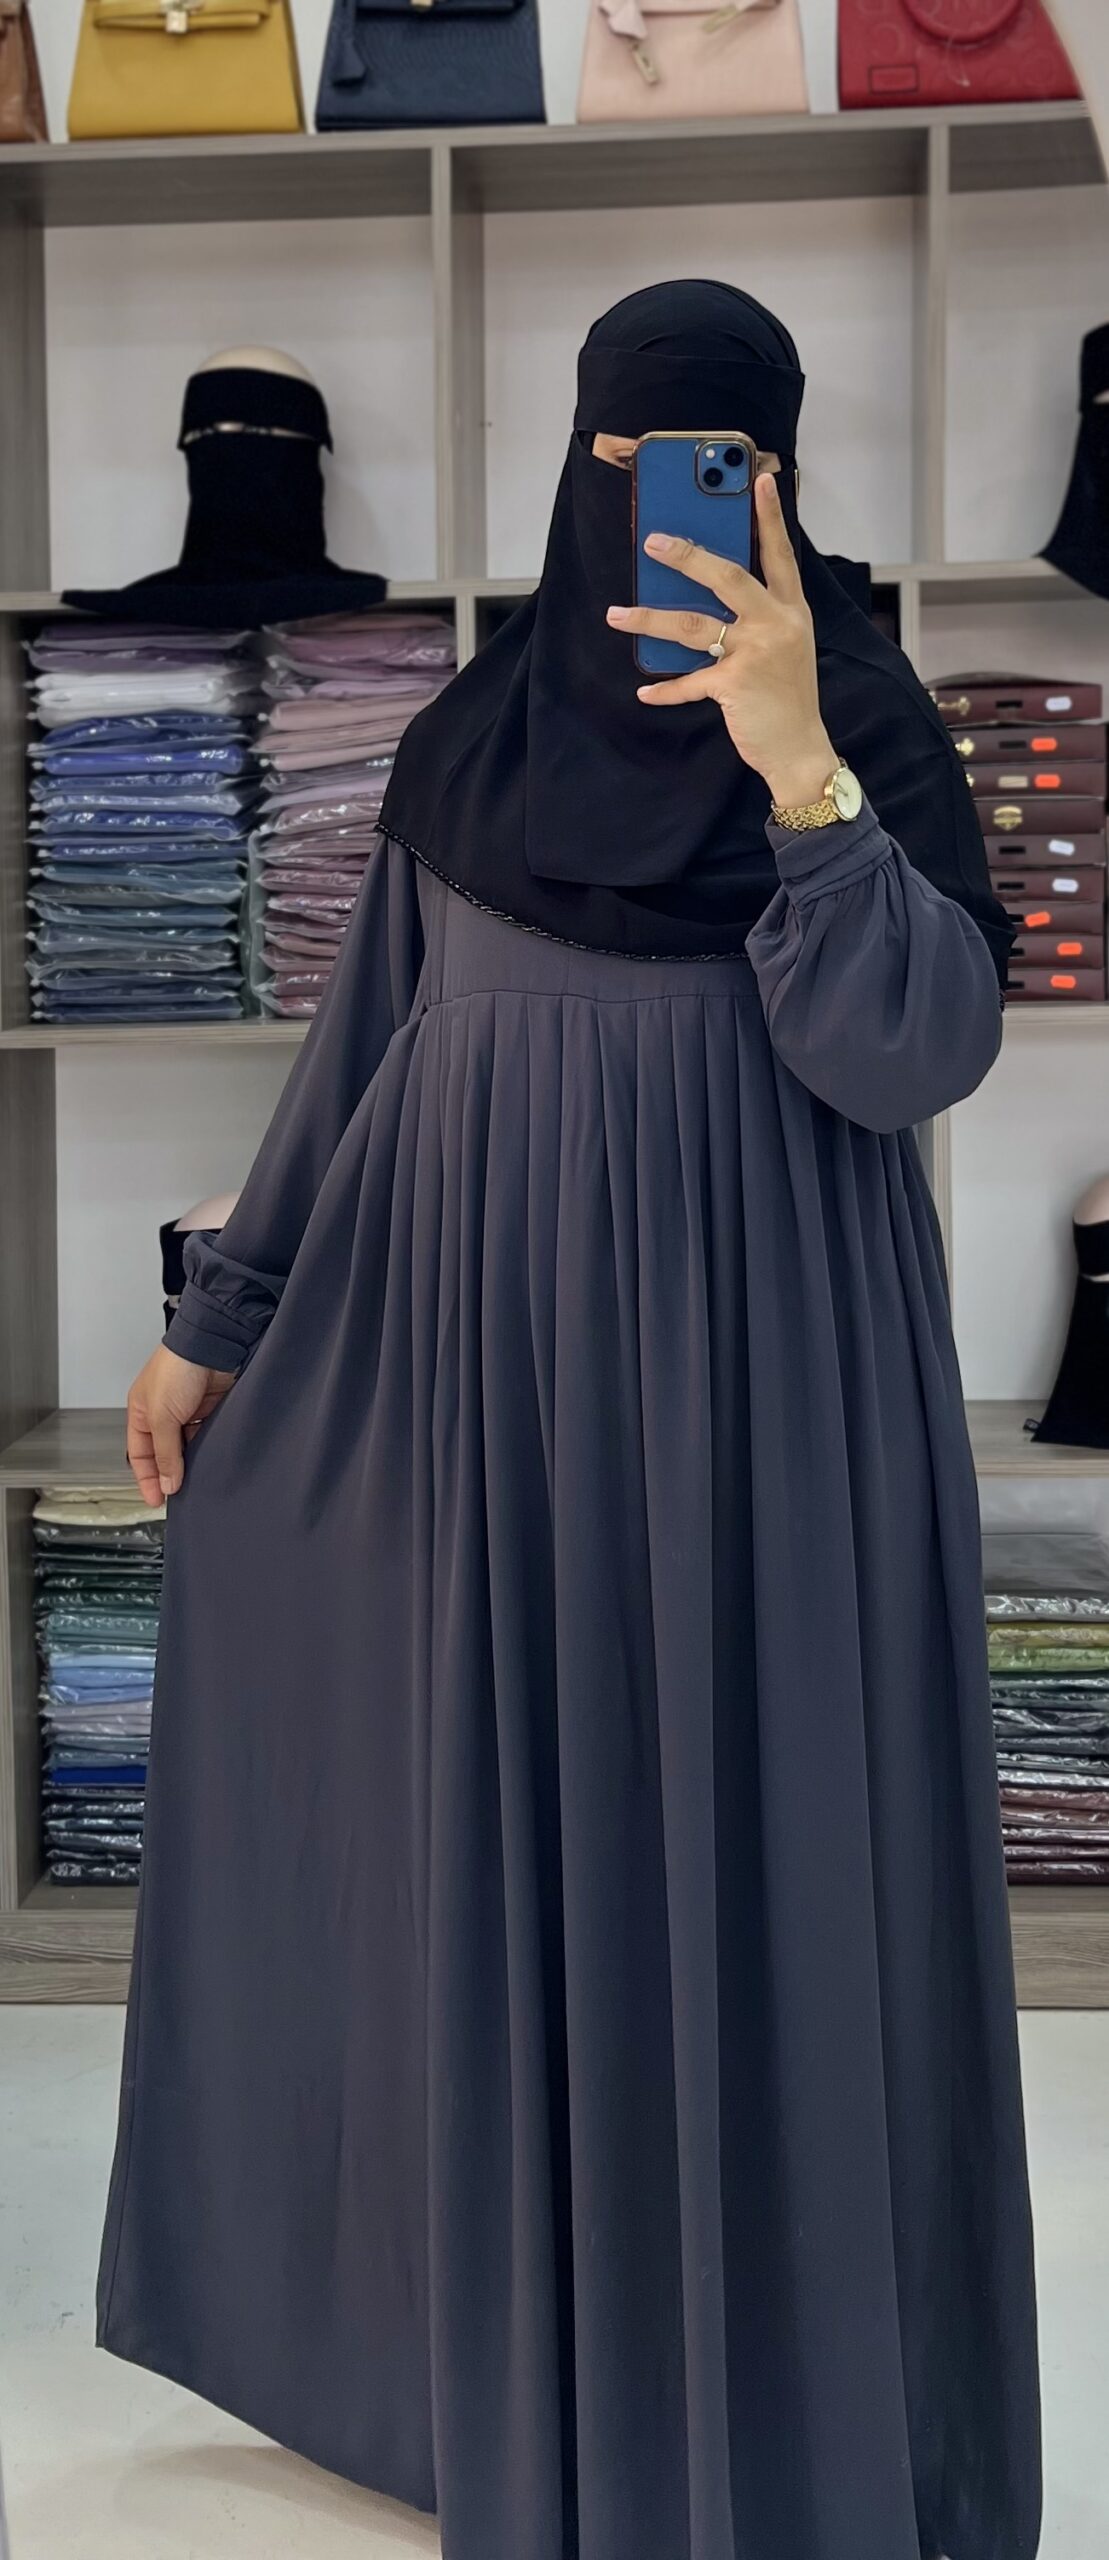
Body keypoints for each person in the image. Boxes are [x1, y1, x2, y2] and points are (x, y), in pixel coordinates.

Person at [97, 284, 1040, 2560]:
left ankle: (785, 2403)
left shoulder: (870, 724)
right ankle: (496, 2373)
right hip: (491, 1375)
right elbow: (360, 1061)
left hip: (771, 1392)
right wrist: (221, 1319)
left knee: (761, 1847)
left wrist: (797, 763)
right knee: (501, 1845)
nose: (665, 508)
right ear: (575, 470)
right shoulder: (472, 741)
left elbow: (911, 1055)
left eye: (717, 465)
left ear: (780, 480)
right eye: (628, 463)